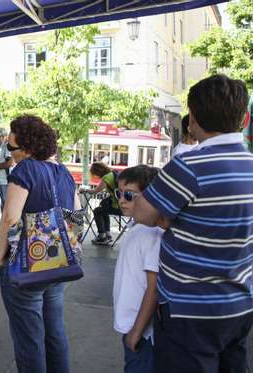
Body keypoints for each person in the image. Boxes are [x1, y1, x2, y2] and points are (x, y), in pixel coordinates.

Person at [133, 74, 253, 372]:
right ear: (244, 117)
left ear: (193, 118)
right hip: (240, 307)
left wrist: (170, 217)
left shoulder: (187, 167)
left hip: (189, 313)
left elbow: (142, 214)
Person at [0, 115, 76, 373]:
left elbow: (10, 218)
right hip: (58, 261)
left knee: (28, 338)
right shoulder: (64, 172)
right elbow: (73, 216)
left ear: (28, 148)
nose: (11, 154)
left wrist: (0, 258)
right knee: (55, 332)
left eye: (12, 149)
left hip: (27, 263)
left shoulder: (25, 170)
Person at [112, 165, 162, 373]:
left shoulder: (152, 235)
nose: (122, 200)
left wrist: (137, 330)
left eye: (130, 195)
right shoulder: (137, 228)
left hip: (142, 331)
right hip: (131, 324)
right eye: (119, 193)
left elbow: (154, 288)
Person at [81, 162, 121, 245]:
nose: (94, 175)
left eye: (94, 173)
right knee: (103, 209)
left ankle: (102, 236)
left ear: (98, 172)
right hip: (122, 206)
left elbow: (95, 191)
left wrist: (85, 190)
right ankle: (108, 235)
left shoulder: (106, 178)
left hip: (118, 207)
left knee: (97, 211)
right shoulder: (112, 174)